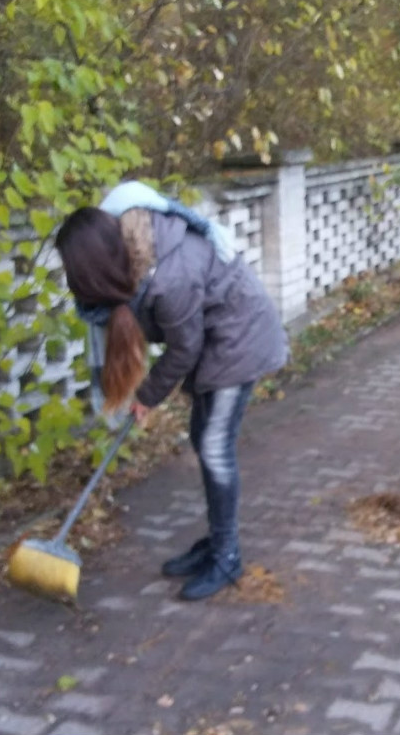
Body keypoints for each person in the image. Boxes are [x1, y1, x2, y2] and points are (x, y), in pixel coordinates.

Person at [54, 181, 289, 600]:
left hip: (239, 341)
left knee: (214, 447)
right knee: (203, 437)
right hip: (214, 341)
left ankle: (227, 556)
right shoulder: (131, 256)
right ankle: (216, 542)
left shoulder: (169, 276)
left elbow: (184, 349)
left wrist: (147, 396)